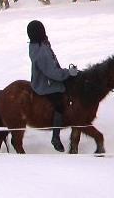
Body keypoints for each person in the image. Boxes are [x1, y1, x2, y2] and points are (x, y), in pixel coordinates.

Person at [27, 20, 78, 152]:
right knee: (60, 104)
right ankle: (55, 137)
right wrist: (68, 73)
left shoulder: (40, 45)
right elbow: (52, 73)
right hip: (46, 83)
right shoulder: (40, 51)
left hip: (50, 79)